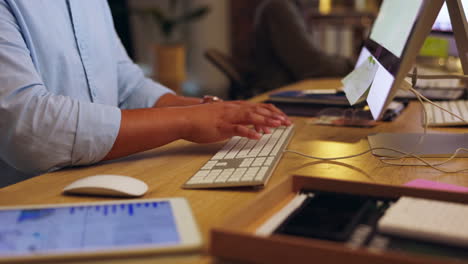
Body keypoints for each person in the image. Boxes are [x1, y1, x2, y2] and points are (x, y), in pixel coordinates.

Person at [0, 0, 291, 188]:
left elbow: (129, 84)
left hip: (108, 178)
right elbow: (30, 127)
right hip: (29, 201)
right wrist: (187, 120)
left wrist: (215, 113)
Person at [251, 0, 354, 94]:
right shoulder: (278, 6)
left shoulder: (288, 6)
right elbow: (312, 65)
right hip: (280, 97)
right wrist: (355, 65)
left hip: (291, 92)